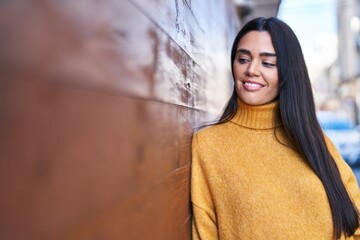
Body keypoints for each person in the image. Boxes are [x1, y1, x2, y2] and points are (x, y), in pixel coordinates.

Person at [191, 17, 360, 240]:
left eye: (268, 63)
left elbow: (355, 221)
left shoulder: (312, 139)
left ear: (288, 72)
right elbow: (205, 231)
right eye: (243, 59)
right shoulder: (208, 145)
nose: (251, 70)